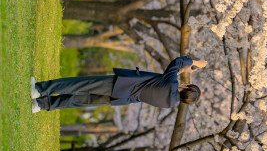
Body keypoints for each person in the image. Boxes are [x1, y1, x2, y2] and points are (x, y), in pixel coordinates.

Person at [30, 56, 207, 113]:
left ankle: (39, 90)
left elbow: (177, 61)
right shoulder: (168, 103)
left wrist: (193, 61)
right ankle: (40, 105)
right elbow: (161, 82)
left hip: (118, 85)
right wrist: (183, 72)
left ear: (185, 88)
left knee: (78, 86)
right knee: (79, 100)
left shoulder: (170, 83)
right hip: (119, 98)